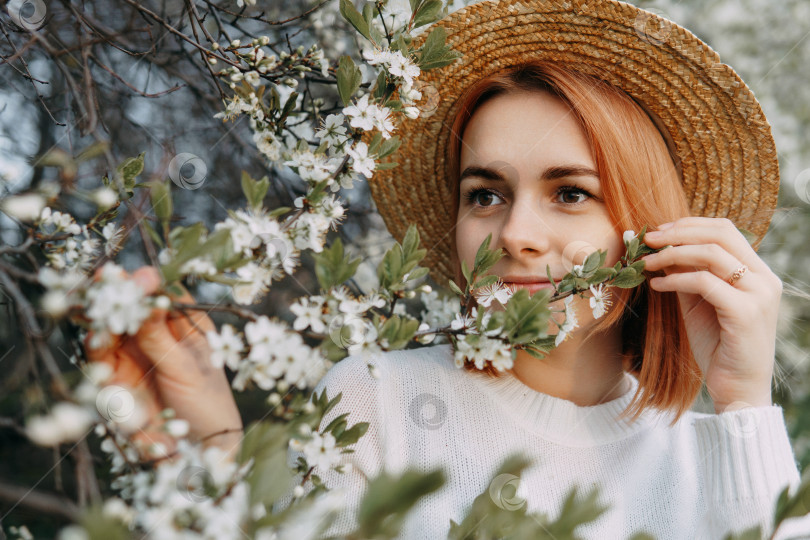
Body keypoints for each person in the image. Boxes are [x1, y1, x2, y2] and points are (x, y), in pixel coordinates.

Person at [85, 0, 810, 538]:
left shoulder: (717, 459)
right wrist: (209, 457)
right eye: (486, 193)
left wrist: (744, 401)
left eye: (570, 192)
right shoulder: (378, 404)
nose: (517, 233)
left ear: (651, 230)